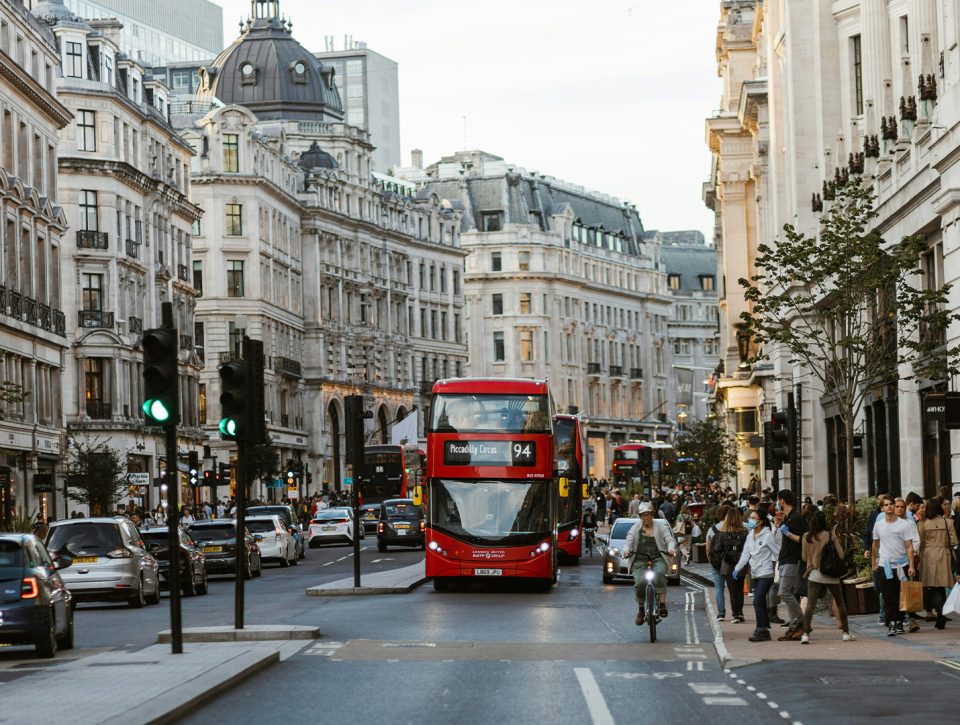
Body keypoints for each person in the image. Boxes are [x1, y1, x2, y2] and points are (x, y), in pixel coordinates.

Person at [799, 510, 854, 643]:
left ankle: (805, 634)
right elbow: (841, 555)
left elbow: (804, 558)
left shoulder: (806, 537)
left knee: (810, 604)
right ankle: (846, 633)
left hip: (814, 574)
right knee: (840, 602)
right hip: (830, 574)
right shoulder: (830, 535)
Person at [623, 501, 677, 625]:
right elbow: (628, 541)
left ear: (652, 514)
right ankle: (641, 610)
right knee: (640, 583)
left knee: (659, 573)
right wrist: (626, 550)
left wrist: (671, 549)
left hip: (658, 557)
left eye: (648, 514)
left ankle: (662, 604)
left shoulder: (661, 527)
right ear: (640, 516)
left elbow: (670, 540)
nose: (646, 517)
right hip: (639, 559)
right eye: (643, 515)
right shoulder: (635, 528)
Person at [733, 508, 781, 642]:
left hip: (766, 573)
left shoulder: (767, 536)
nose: (750, 521)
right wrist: (737, 568)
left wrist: (780, 568)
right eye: (750, 518)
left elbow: (777, 552)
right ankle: (764, 629)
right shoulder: (750, 535)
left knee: (757, 601)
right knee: (760, 601)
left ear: (761, 521)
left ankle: (761, 629)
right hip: (755, 574)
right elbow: (745, 554)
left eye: (753, 518)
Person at [873, 495, 917, 636]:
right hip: (885, 565)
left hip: (902, 565)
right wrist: (874, 561)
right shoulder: (879, 525)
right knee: (887, 596)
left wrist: (911, 565)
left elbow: (909, 546)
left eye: (891, 504)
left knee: (901, 595)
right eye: (886, 505)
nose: (890, 506)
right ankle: (891, 623)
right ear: (882, 508)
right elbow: (875, 544)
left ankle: (899, 622)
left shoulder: (904, 524)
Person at [918, 497, 959, 629]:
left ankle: (937, 613)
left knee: (933, 586)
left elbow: (921, 543)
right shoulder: (948, 522)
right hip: (944, 555)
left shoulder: (923, 523)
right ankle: (941, 614)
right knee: (941, 586)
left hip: (928, 556)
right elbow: (954, 542)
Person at [774, 489, 808, 641]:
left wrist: (787, 533)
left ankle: (802, 621)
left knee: (783, 593)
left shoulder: (796, 517)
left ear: (782, 500)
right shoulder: (787, 517)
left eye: (778, 500)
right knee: (789, 593)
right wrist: (779, 526)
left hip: (792, 560)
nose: (777, 503)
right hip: (784, 559)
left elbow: (803, 539)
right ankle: (794, 626)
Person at [714, 507, 748, 624]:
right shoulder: (744, 532)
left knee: (732, 590)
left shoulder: (722, 533)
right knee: (739, 589)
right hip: (741, 563)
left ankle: (735, 614)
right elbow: (748, 547)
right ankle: (739, 612)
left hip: (727, 564)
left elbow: (717, 548)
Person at [704, 504, 730, 621]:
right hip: (731, 562)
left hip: (717, 563)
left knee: (719, 588)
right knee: (734, 588)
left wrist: (712, 562)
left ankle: (721, 613)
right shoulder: (735, 527)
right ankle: (737, 613)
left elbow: (708, 549)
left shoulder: (712, 529)